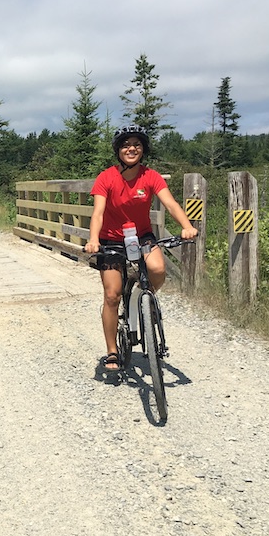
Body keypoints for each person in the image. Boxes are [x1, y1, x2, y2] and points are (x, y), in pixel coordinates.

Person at [83, 124, 198, 373]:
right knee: (112, 295)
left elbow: (170, 204)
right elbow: (98, 212)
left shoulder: (151, 176)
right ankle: (112, 351)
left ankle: (141, 295)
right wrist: (94, 239)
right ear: (118, 151)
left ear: (143, 150)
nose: (131, 148)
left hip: (142, 236)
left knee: (157, 269)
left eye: (136, 144)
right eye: (126, 144)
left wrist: (187, 226)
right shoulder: (106, 178)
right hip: (112, 239)